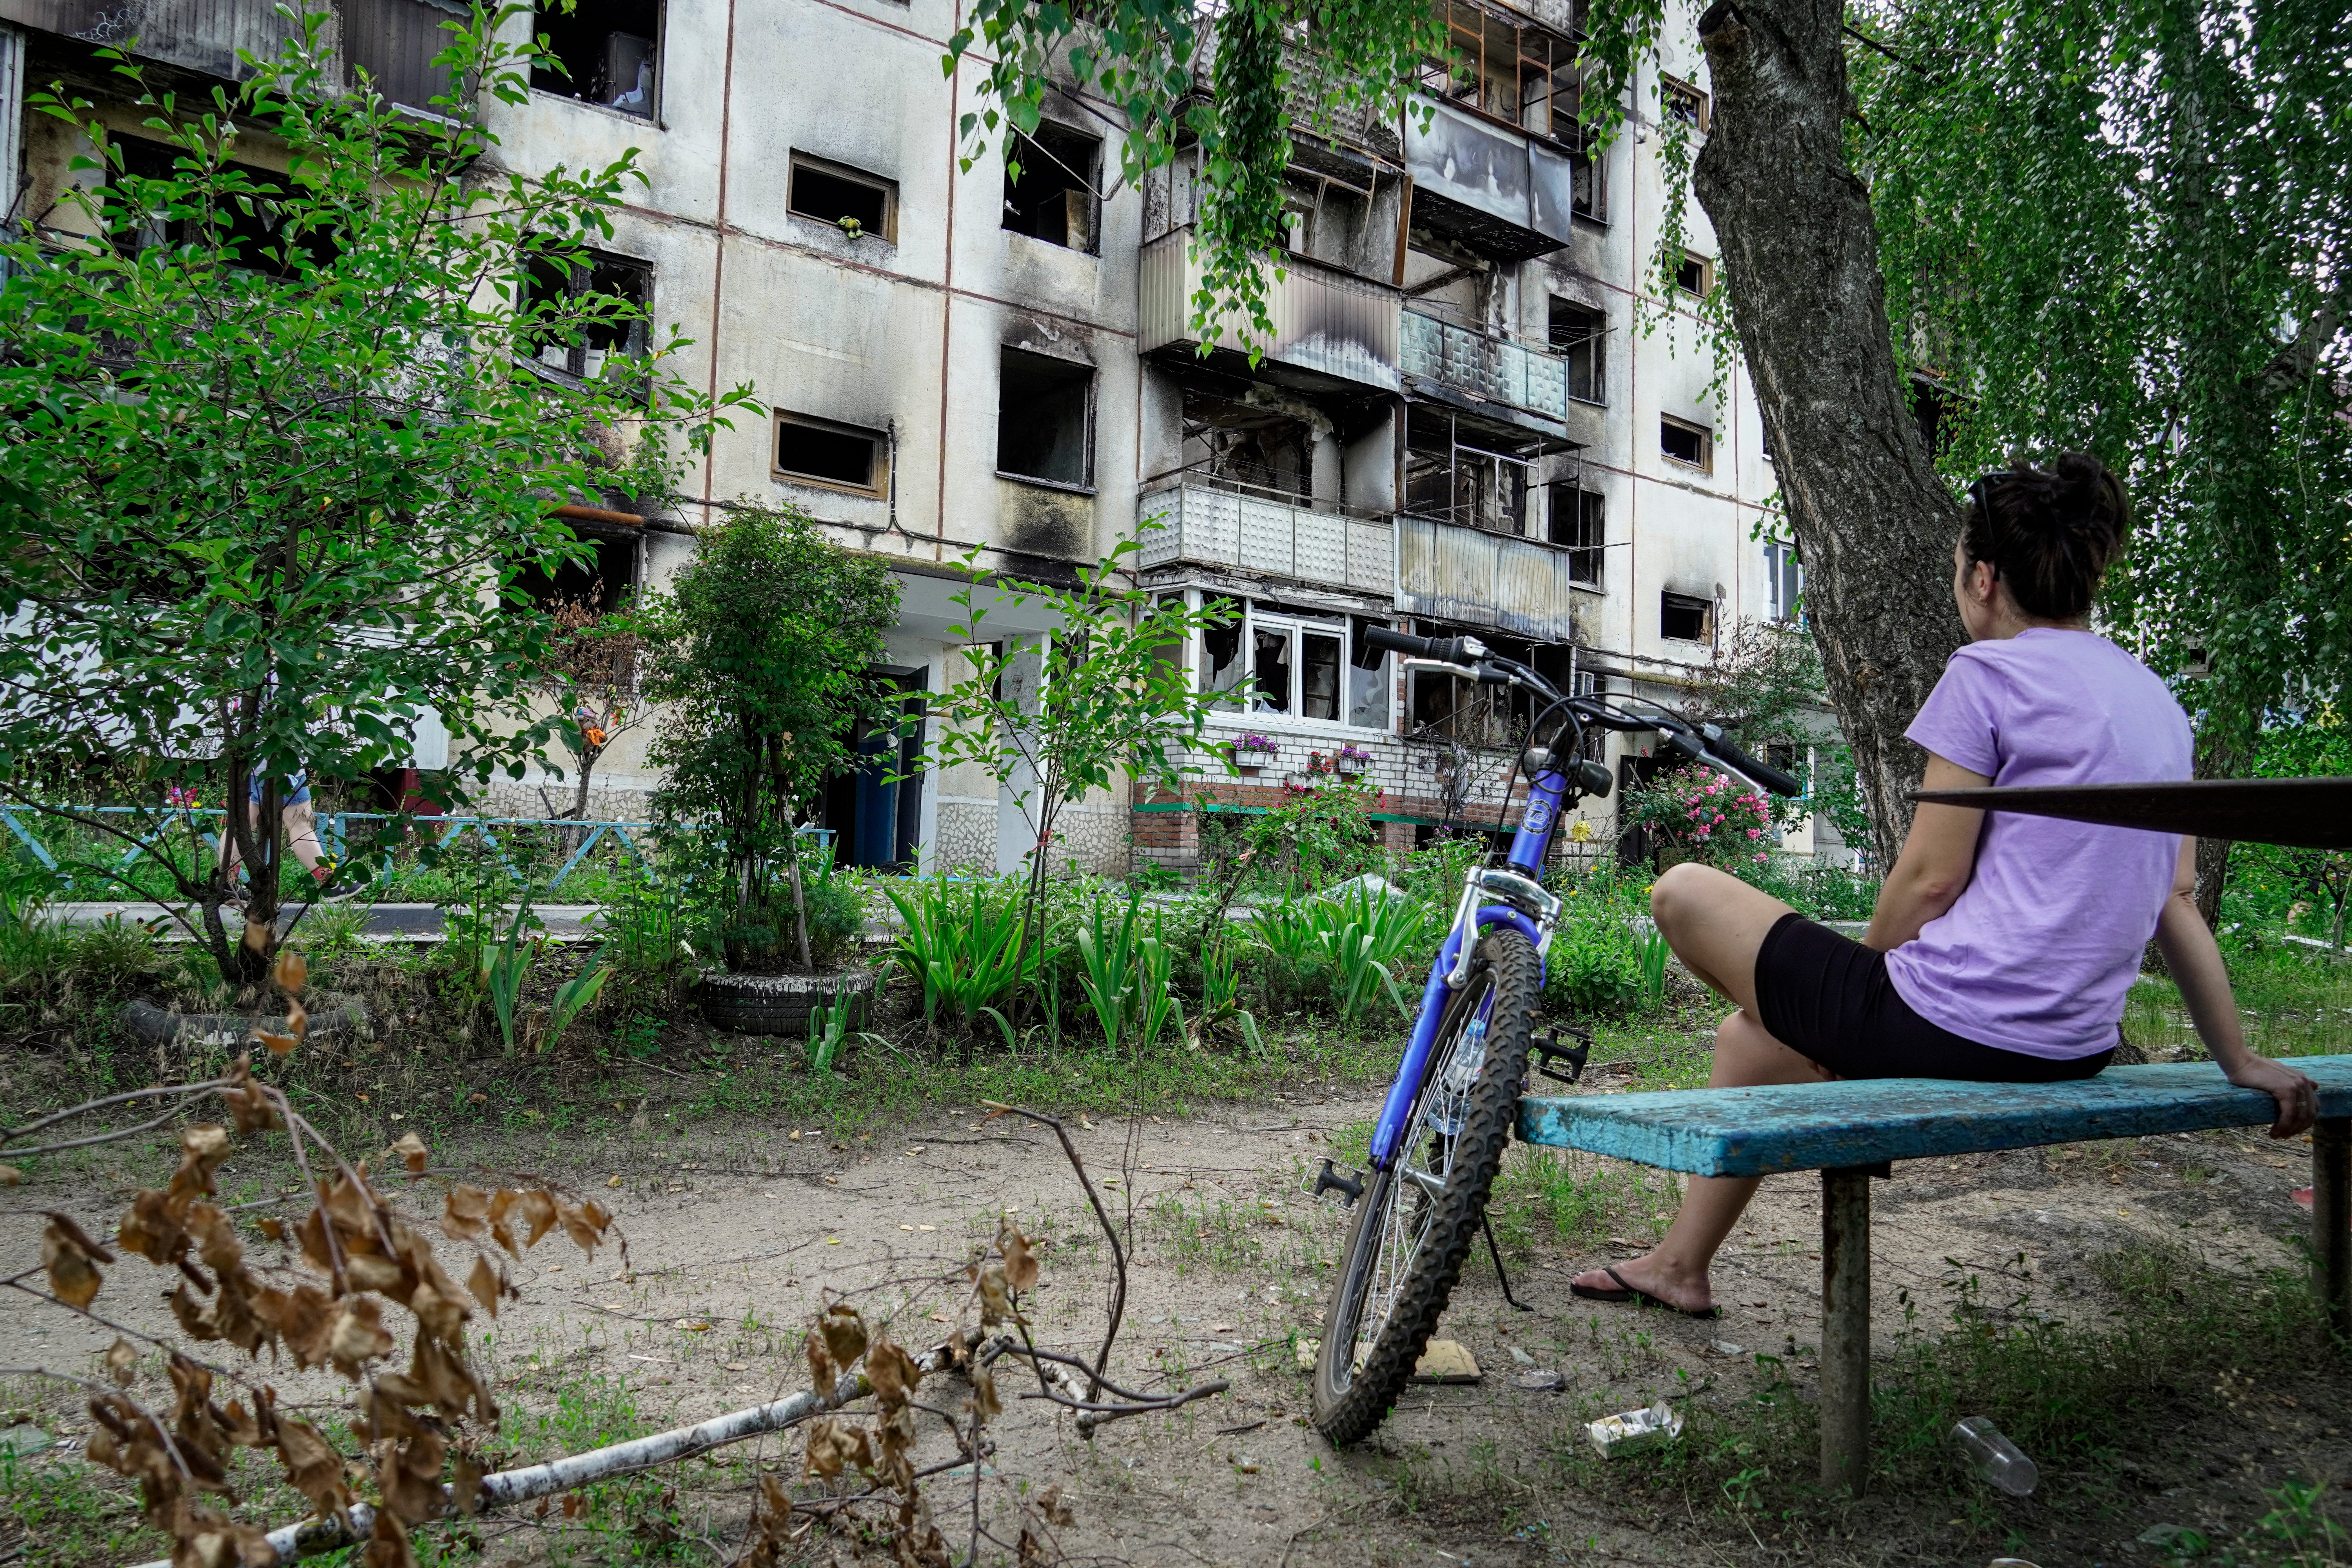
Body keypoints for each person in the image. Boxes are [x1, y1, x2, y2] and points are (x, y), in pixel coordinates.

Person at [1571, 453, 2320, 1319]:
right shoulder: (2157, 702)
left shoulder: (1988, 673)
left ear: (1985, 574)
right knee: (1754, 1037)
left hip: (1952, 1029)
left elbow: (1929, 881)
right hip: (2071, 1047)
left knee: (1684, 890)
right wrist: (2238, 1057)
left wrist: (1859, 1008)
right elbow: (2175, 899)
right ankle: (1679, 1265)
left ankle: (1827, 1064)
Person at [219, 769, 333, 895]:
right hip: (284, 768)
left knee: (243, 824)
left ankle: (227, 883)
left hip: (256, 768)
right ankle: (330, 884)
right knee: (301, 824)